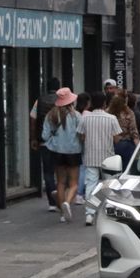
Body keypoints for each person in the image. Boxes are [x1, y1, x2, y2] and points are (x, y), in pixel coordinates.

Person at [79, 94, 121, 226]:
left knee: (91, 184)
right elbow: (116, 139)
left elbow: (81, 136)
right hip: (107, 157)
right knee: (108, 185)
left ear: (91, 103)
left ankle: (89, 214)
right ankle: (107, 212)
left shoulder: (85, 118)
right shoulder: (111, 118)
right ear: (104, 104)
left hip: (90, 156)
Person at [44, 87, 83, 223]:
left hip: (57, 151)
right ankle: (67, 202)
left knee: (60, 182)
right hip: (74, 151)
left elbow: (44, 135)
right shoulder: (76, 116)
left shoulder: (51, 115)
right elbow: (81, 134)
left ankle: (62, 212)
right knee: (73, 183)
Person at [31, 78, 61, 212]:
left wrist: (33, 138)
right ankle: (62, 197)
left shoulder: (40, 100)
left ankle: (52, 201)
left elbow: (33, 119)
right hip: (62, 142)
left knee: (48, 172)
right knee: (61, 171)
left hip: (45, 142)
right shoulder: (62, 101)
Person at [109, 91, 140, 169]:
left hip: (110, 145)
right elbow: (134, 132)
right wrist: (139, 148)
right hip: (126, 145)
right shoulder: (128, 113)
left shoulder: (108, 113)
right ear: (125, 100)